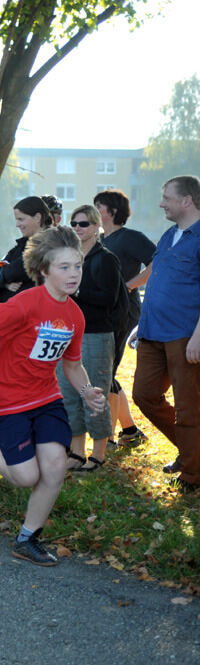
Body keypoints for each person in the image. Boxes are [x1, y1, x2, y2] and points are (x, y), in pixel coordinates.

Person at [0, 226, 106, 565]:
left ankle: (27, 538)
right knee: (25, 477)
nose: (74, 274)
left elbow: (72, 365)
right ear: (45, 270)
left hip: (46, 399)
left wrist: (87, 392)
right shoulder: (25, 304)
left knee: (56, 466)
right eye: (64, 267)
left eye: (78, 266)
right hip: (8, 401)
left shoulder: (74, 315)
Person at [132, 176, 200, 493]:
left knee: (189, 406)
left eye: (166, 197)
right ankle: (192, 454)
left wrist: (198, 336)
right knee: (144, 395)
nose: (162, 203)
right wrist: (139, 325)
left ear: (187, 200)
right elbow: (157, 281)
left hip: (185, 335)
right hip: (151, 332)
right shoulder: (169, 235)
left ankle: (192, 475)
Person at [59, 205, 123, 472]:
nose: (77, 228)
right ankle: (77, 451)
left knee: (94, 392)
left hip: (96, 333)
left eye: (84, 223)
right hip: (68, 333)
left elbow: (109, 299)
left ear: (97, 226)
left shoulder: (106, 258)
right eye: (74, 223)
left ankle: (98, 452)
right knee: (68, 392)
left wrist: (76, 292)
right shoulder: (69, 256)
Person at [95, 188, 154, 449]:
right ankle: (129, 431)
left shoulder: (130, 238)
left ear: (112, 211)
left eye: (99, 207)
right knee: (105, 372)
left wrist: (130, 285)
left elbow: (158, 262)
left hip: (124, 310)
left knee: (106, 370)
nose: (94, 211)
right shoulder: (97, 240)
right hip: (100, 310)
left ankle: (107, 438)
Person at [0, 196, 53, 303]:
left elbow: (13, 271)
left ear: (37, 217)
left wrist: (3, 278)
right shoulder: (21, 245)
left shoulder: (51, 243)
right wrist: (5, 282)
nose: (17, 225)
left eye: (21, 219)